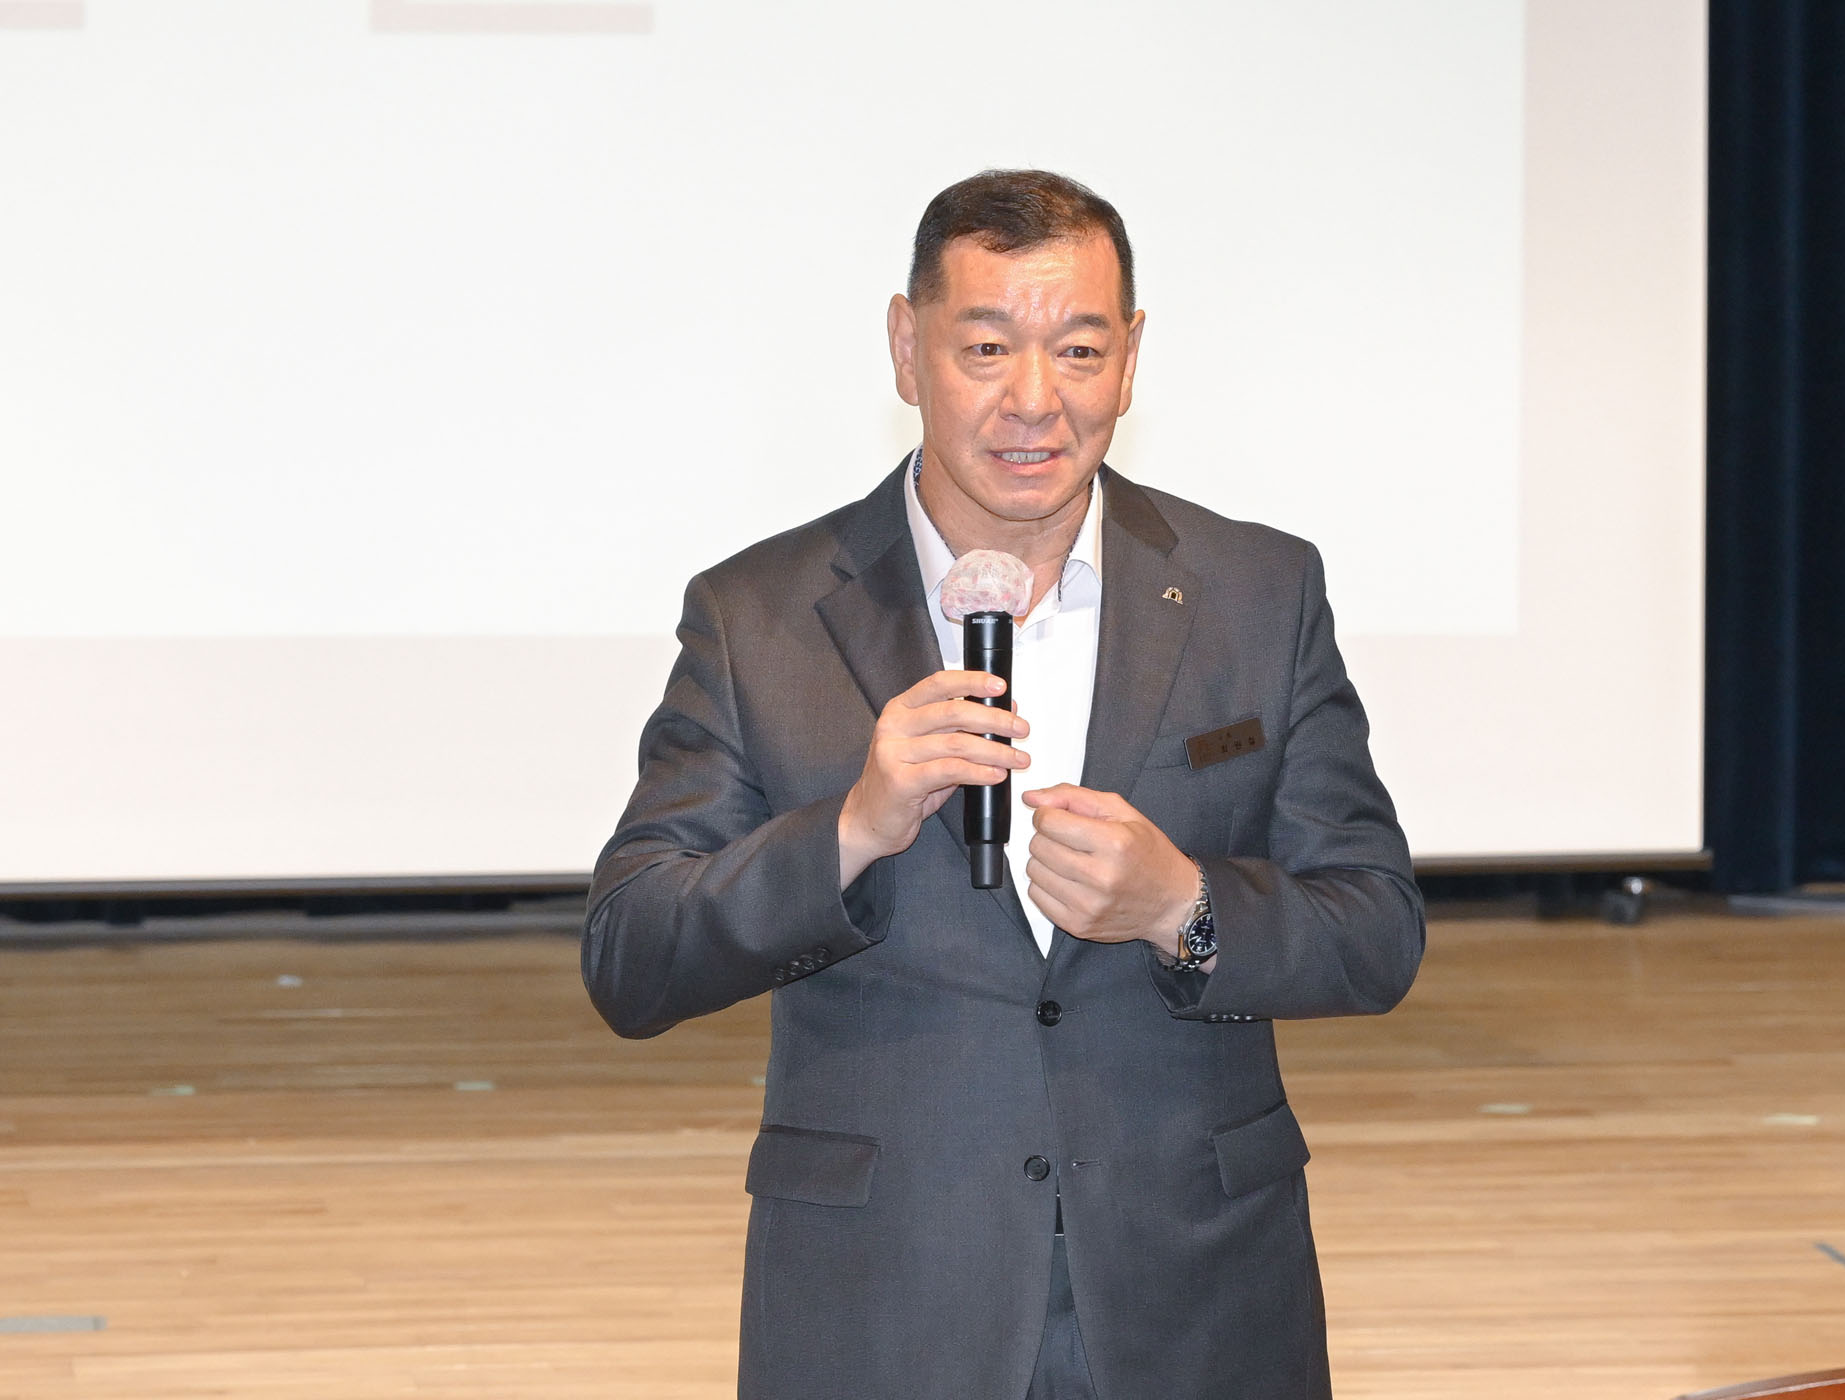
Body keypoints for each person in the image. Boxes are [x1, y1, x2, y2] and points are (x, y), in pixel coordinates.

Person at [582, 169, 1425, 1400]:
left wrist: (1185, 906)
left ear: (1130, 359)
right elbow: (631, 955)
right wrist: (849, 831)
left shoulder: (1259, 590)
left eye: (1080, 349)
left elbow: (1377, 929)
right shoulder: (759, 614)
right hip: (886, 1304)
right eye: (985, 347)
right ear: (905, 347)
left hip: (1197, 1298)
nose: (1035, 399)